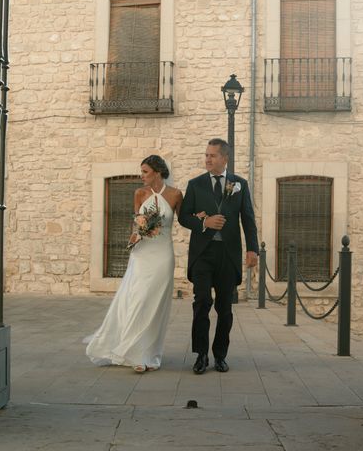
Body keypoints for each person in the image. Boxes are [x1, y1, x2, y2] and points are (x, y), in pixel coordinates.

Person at [86, 155, 183, 373]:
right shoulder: (139, 193)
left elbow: (184, 219)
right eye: (141, 172)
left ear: (158, 172)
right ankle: (134, 353)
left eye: (145, 172)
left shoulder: (175, 194)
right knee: (138, 300)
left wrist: (204, 219)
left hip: (163, 254)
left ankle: (149, 353)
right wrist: (135, 236)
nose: (141, 176)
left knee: (156, 304)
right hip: (142, 253)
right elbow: (137, 224)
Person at [178, 138, 259, 374]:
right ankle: (201, 355)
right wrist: (205, 222)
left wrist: (252, 249)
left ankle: (220, 355)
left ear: (225, 158)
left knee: (225, 309)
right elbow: (184, 217)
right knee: (201, 303)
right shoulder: (195, 184)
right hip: (203, 254)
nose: (207, 159)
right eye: (206, 155)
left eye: (212, 155)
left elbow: (248, 219)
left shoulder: (239, 184)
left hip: (228, 255)